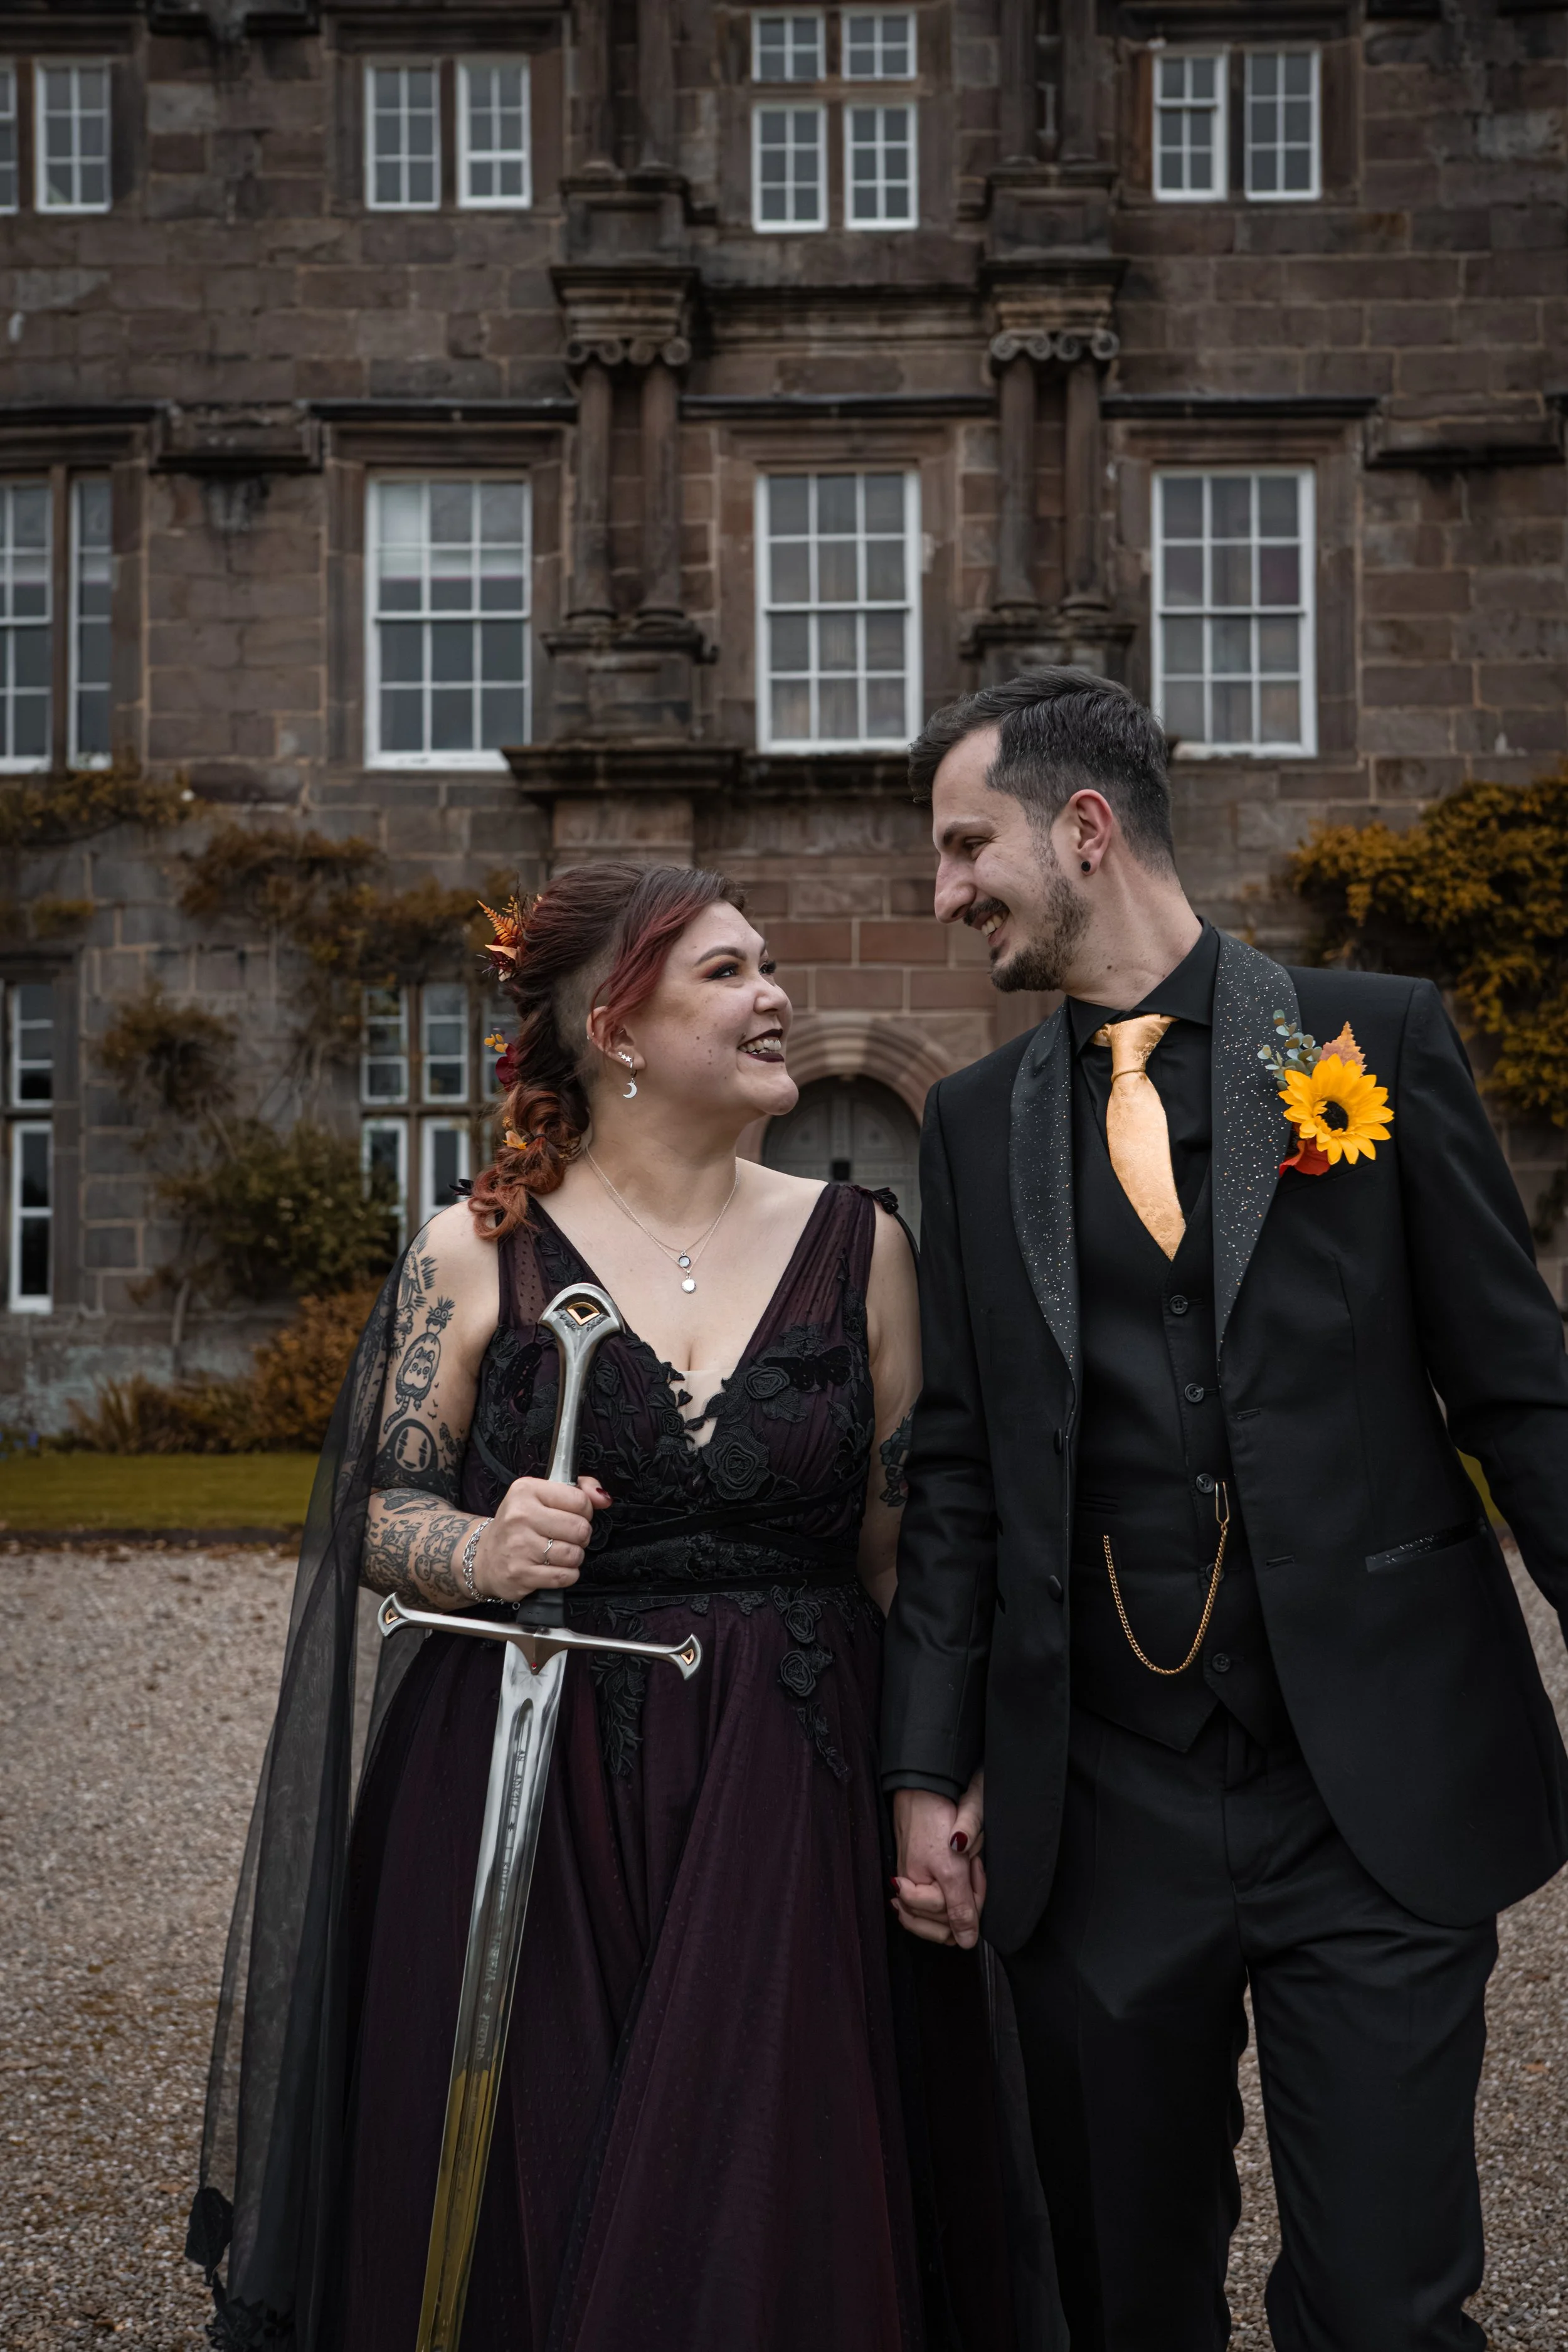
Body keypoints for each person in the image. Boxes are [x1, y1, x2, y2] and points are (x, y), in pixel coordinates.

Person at [189, 859, 1015, 2352]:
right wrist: (485, 1551)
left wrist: (941, 1775)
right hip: (526, 1788)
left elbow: (907, 1559)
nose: (776, 998)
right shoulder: (472, 1251)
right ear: (616, 1027)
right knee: (533, 2174)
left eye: (767, 965)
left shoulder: (862, 1249)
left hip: (793, 1786)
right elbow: (378, 1515)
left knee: (767, 2182)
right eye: (726, 973)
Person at [881, 670, 1568, 2352]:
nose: (946, 888)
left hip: (1375, 1797)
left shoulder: (1369, 1041)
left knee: (1387, 2305)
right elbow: (955, 1469)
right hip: (1101, 1807)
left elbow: (1515, 1388)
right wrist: (921, 1767)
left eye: (969, 845)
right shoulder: (973, 1126)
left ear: (1085, 830)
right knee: (1119, 2295)